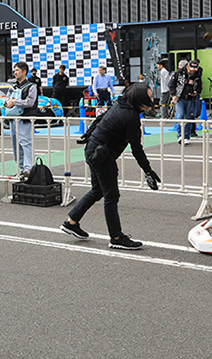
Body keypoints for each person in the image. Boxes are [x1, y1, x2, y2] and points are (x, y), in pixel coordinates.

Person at [60, 83, 160, 250]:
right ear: (140, 99)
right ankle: (116, 237)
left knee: (97, 190)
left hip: (93, 150)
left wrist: (88, 135)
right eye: (149, 97)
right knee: (111, 196)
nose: (152, 100)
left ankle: (71, 222)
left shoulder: (122, 104)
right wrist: (148, 171)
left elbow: (100, 118)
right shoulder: (130, 116)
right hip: (102, 156)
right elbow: (136, 148)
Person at [4, 61, 38, 178]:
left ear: (24, 72)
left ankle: (28, 168)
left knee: (25, 143)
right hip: (13, 118)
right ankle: (20, 168)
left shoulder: (31, 86)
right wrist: (7, 103)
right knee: (16, 145)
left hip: (24, 119)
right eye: (14, 70)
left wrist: (14, 102)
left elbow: (30, 102)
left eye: (17, 70)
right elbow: (6, 99)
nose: (15, 72)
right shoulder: (12, 87)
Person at [169, 60, 202, 145]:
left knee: (188, 118)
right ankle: (180, 135)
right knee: (180, 115)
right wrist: (174, 95)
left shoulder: (197, 75)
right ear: (187, 66)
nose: (193, 71)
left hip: (191, 98)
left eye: (195, 70)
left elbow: (199, 86)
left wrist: (196, 92)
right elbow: (171, 84)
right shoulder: (179, 73)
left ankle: (186, 136)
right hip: (180, 98)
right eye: (191, 70)